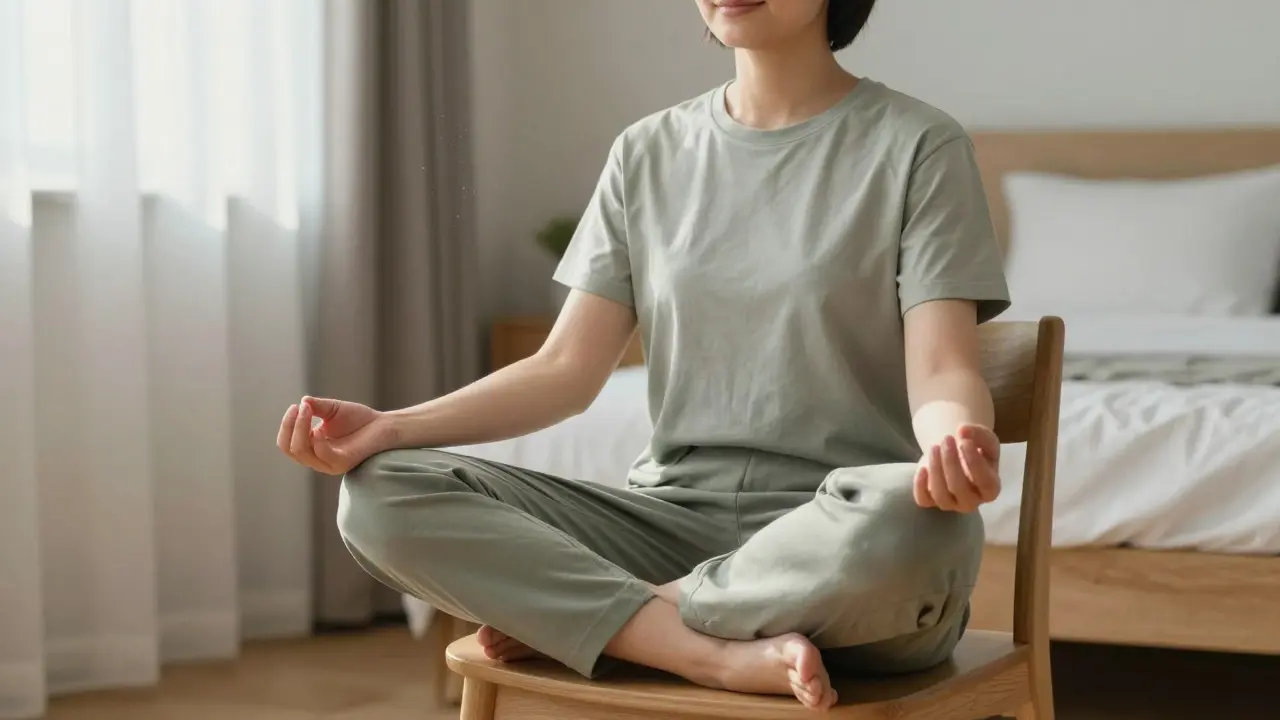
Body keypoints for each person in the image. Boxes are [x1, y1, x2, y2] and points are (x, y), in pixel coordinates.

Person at [277, 0, 1010, 711]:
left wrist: (954, 440)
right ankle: (703, 652)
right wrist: (392, 427)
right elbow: (562, 371)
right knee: (380, 493)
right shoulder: (646, 151)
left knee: (915, 523)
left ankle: (617, 621)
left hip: (832, 540)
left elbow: (944, 368)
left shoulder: (918, 144)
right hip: (667, 528)